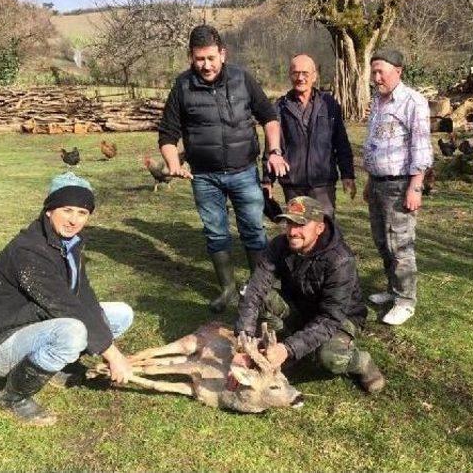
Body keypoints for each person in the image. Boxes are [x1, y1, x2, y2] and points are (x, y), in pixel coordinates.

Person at [0, 172, 134, 426]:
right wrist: (112, 354)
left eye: (82, 212)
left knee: (121, 314)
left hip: (35, 325)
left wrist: (106, 343)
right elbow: (66, 306)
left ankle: (52, 368)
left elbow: (83, 295)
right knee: (72, 332)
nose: (74, 220)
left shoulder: (69, 243)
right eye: (67, 210)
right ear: (49, 210)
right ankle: (13, 397)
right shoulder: (28, 251)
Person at [158, 24, 287, 314]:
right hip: (204, 177)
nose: (205, 65)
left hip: (244, 172)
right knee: (215, 232)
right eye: (199, 59)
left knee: (253, 229)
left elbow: (269, 116)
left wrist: (274, 150)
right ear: (191, 57)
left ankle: (259, 288)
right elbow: (167, 134)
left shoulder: (243, 79)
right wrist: (173, 163)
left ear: (223, 54)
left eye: (211, 58)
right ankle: (228, 287)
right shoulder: (182, 86)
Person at [234, 196, 385, 393]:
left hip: (340, 318)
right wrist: (243, 341)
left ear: (319, 228)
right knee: (250, 291)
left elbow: (330, 319)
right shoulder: (279, 245)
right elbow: (256, 288)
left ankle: (361, 362)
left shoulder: (340, 260)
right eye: (289, 223)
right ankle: (286, 342)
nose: (292, 232)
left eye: (301, 224)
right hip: (300, 306)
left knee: (329, 357)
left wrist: (287, 349)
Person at [362, 49, 433, 326]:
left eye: (381, 72)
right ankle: (393, 290)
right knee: (382, 242)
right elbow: (375, 145)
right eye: (374, 72)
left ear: (398, 71)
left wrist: (416, 187)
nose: (376, 77)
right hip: (378, 184)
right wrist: (369, 180)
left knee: (400, 245)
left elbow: (421, 146)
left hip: (400, 184)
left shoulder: (413, 102)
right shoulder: (378, 102)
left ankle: (406, 301)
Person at [263, 54, 355, 217]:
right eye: (295, 73)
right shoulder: (279, 108)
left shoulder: (329, 105)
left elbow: (341, 142)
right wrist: (267, 180)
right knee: (299, 232)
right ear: (289, 75)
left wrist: (347, 174)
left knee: (324, 231)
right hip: (293, 184)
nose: (300, 78)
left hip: (323, 184)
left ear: (314, 76)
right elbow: (271, 148)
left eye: (305, 73)